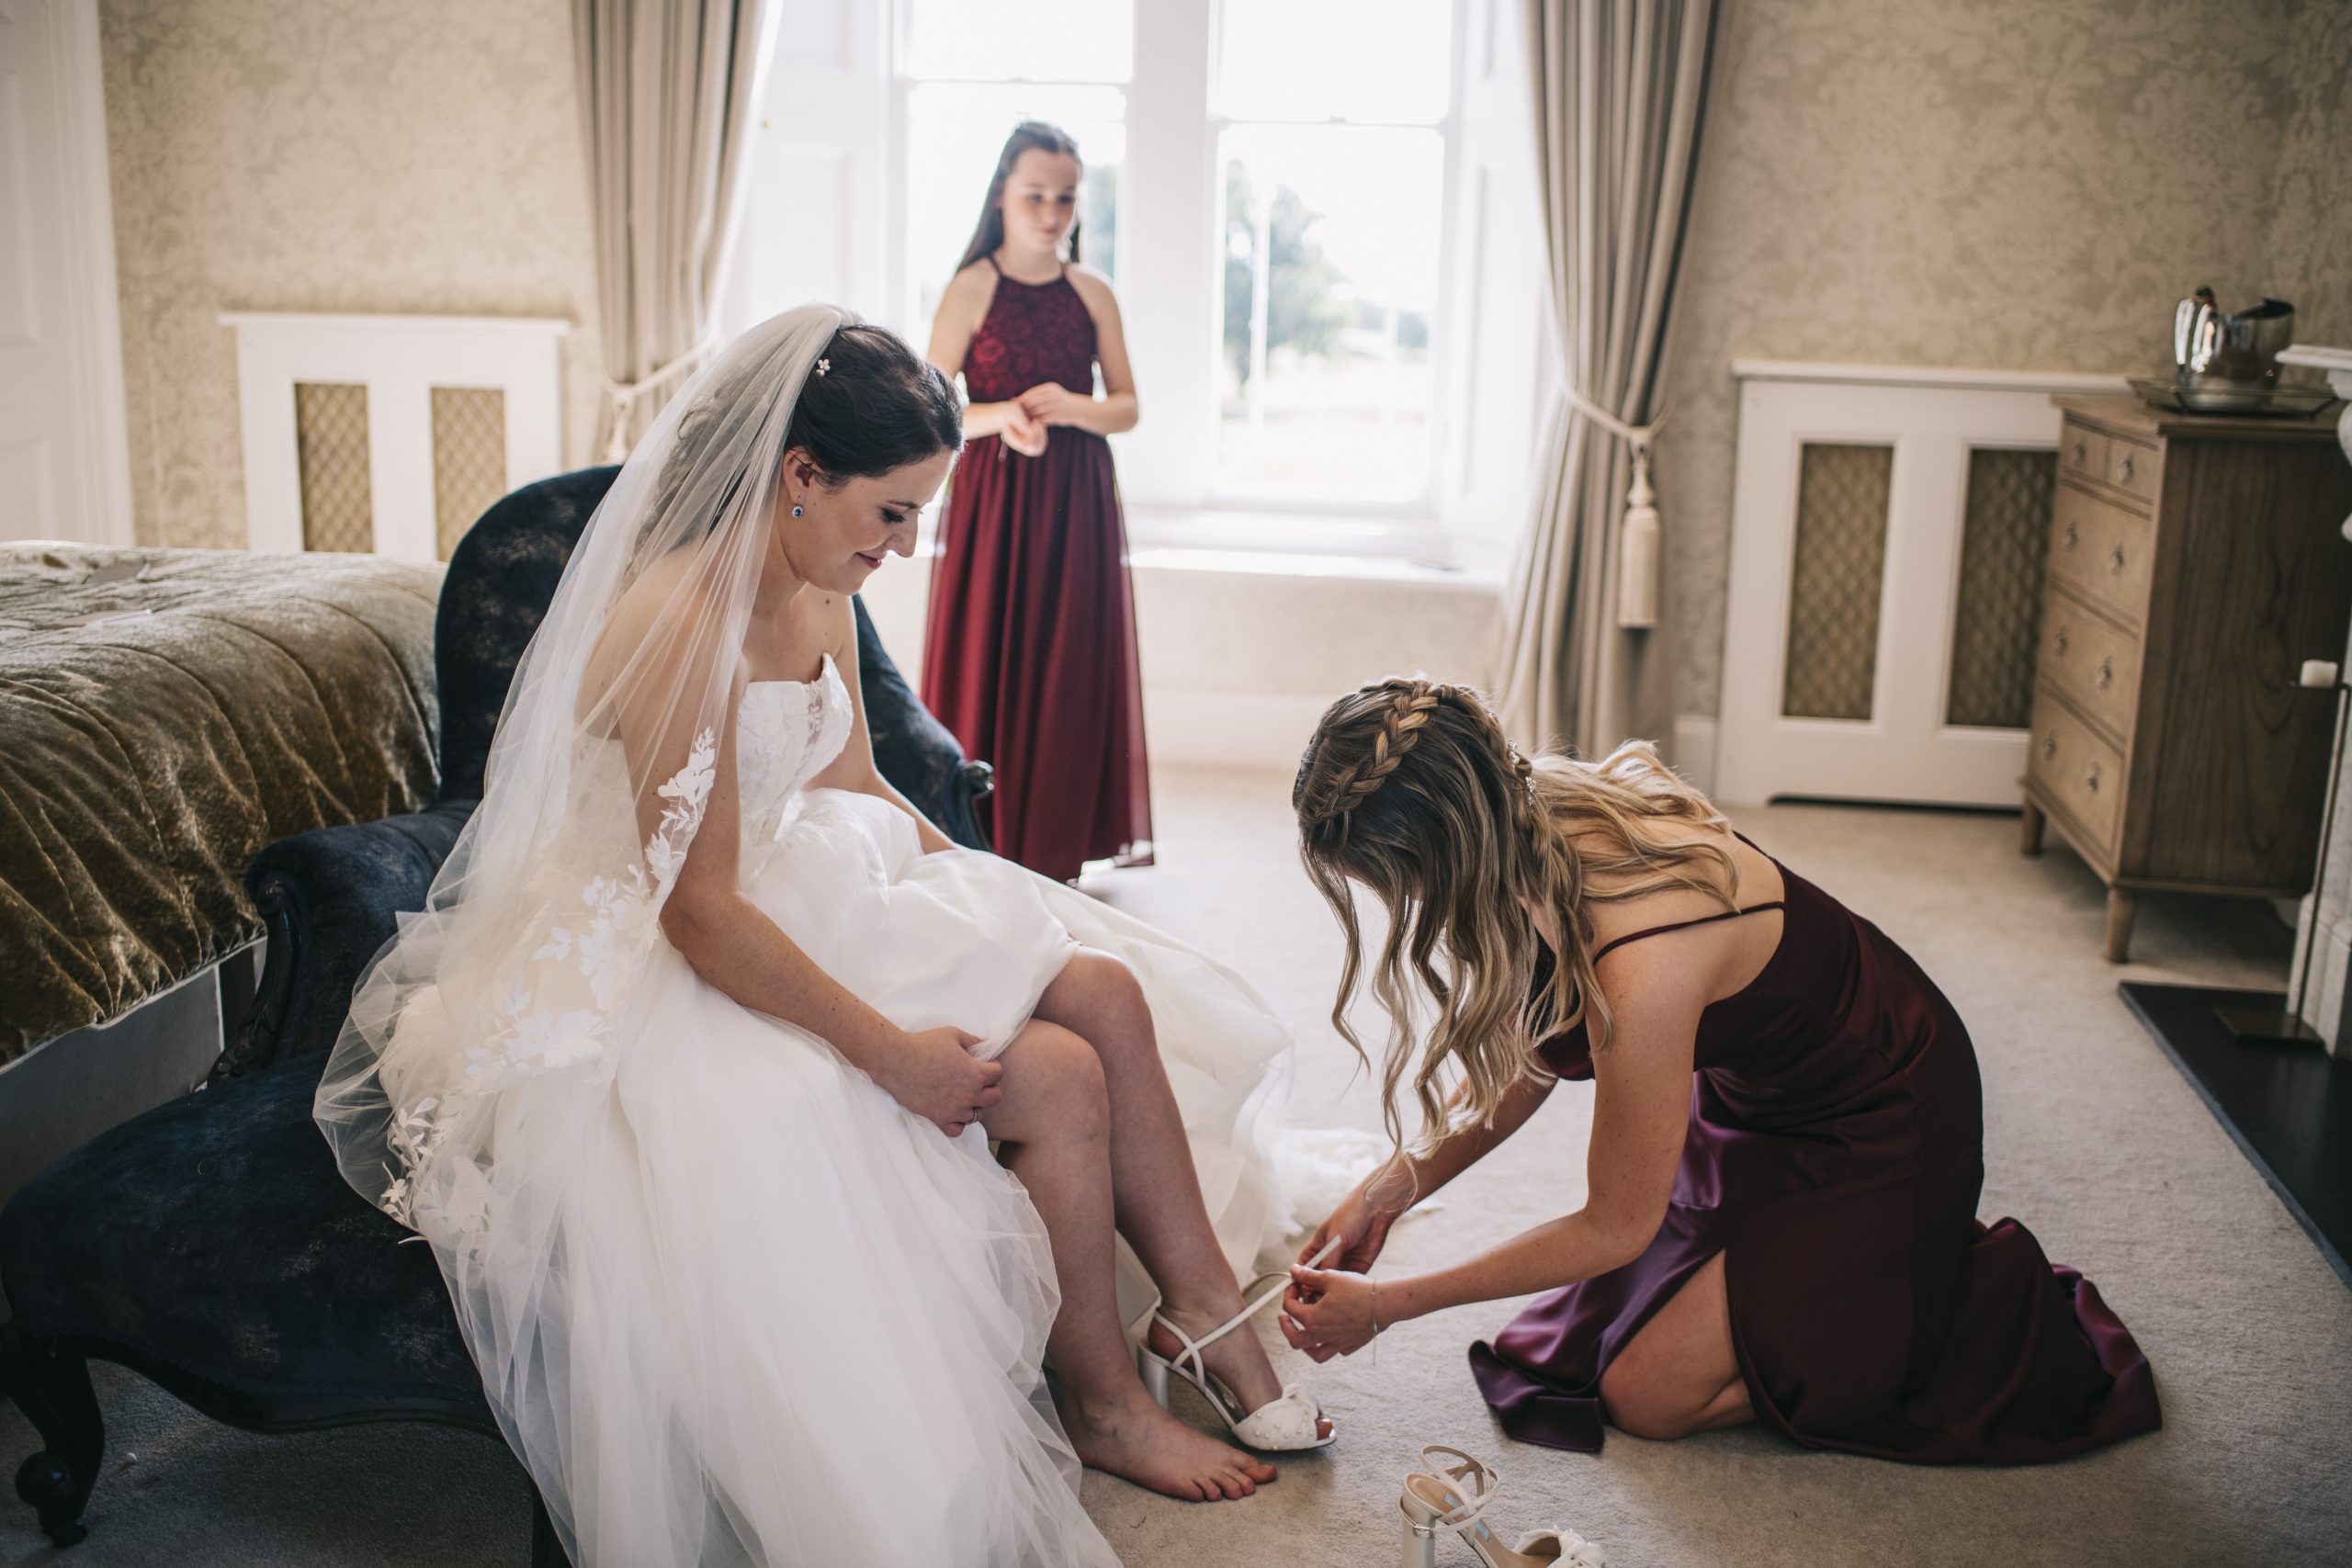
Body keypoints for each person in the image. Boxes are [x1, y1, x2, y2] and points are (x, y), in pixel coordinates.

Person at [314, 308, 1328, 1568]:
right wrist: (896, 1054)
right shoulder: (683, 620)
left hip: (804, 880)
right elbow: (695, 909)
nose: (905, 548)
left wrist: (1000, 895)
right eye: (892, 513)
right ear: (800, 475)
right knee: (1058, 1071)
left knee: (1105, 983)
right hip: (668, 955)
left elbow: (854, 783)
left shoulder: (815, 578)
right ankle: (1110, 1400)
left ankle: (1206, 1316)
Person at [1277, 678, 2162, 1463]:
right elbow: (1530, 1061)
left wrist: (1387, 1304)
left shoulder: (1645, 958)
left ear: (1447, 854)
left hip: (1886, 1118)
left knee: (1648, 1395)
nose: (1409, 910)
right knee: (1617, 1355)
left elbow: (1613, 1227)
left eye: (1403, 886)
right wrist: (1383, 1190)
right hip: (1757, 1099)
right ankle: (1840, 1284)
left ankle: (1925, 1299)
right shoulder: (1520, 821)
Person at [922, 121, 1151, 884]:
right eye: (1034, 196)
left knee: (1067, 660)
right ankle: (977, 831)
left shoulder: (1093, 292)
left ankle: (1056, 841)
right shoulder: (972, 287)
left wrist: (1069, 405)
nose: (1051, 213)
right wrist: (1001, 416)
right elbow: (927, 405)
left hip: (1077, 499)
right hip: (996, 498)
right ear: (1001, 196)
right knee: (989, 646)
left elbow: (1126, 406)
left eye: (1065, 197)